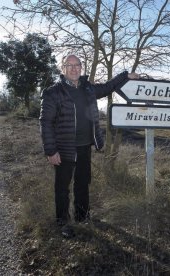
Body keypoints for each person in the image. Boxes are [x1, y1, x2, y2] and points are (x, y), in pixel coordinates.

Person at [39, 54, 139, 238]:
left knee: (83, 184)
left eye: (77, 65)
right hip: (63, 148)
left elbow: (109, 86)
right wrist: (50, 150)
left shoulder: (88, 89)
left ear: (81, 67)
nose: (74, 68)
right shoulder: (53, 92)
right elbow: (45, 123)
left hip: (85, 146)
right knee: (62, 188)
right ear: (63, 69)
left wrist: (125, 76)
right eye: (70, 65)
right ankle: (63, 222)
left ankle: (82, 217)